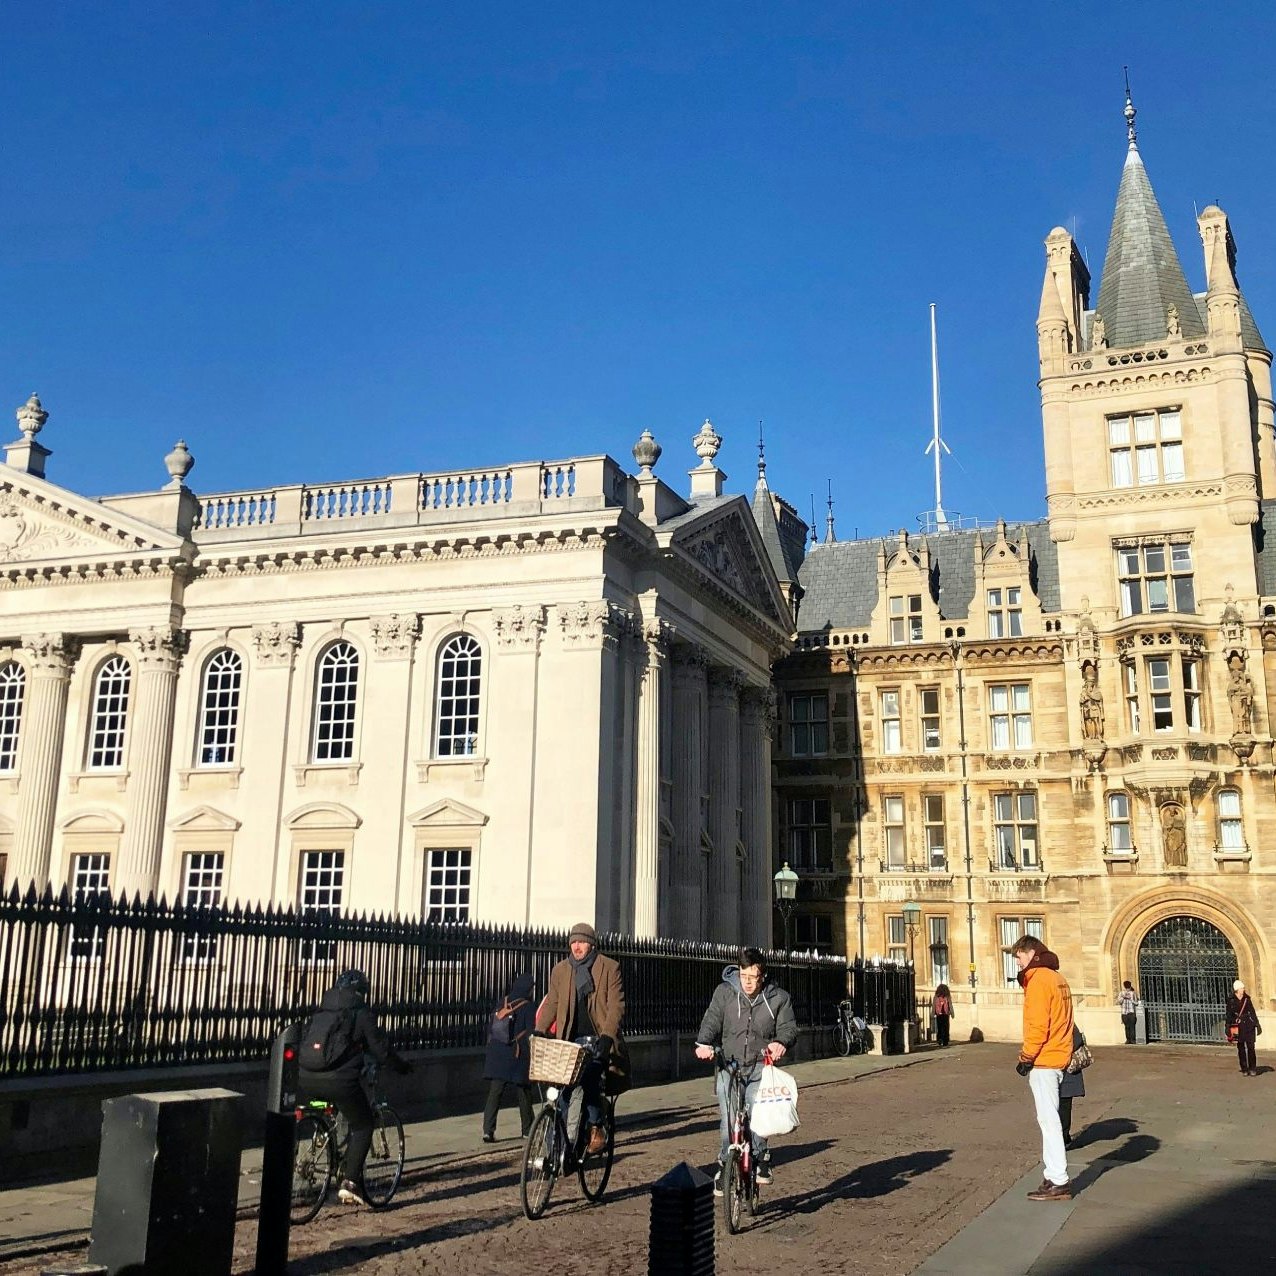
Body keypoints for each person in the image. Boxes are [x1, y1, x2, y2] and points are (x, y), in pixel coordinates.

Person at [297, 968, 412, 1207]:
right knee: (363, 1124)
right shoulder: (361, 1012)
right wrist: (402, 1067)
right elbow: (380, 1050)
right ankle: (350, 1182)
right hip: (340, 1081)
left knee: (336, 1110)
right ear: (361, 992)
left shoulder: (322, 1010)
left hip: (306, 1077)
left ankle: (324, 1142)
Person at [694, 947, 798, 1195]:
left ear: (763, 975)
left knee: (758, 1114)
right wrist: (703, 1044)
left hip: (761, 1066)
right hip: (728, 1065)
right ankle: (724, 1164)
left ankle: (762, 1159)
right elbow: (712, 1020)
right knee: (728, 1119)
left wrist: (780, 1043)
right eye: (743, 976)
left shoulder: (778, 998)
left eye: (753, 977)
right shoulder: (725, 992)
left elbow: (789, 1028)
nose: (748, 982)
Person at [536, 922, 628, 1155]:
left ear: (591, 944)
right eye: (573, 942)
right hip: (569, 1038)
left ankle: (596, 1125)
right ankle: (562, 1147)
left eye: (582, 942)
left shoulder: (609, 968)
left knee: (589, 1080)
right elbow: (552, 1004)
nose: (577, 947)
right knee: (563, 1089)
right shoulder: (561, 970)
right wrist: (539, 1030)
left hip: (597, 1037)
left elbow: (616, 1007)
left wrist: (607, 1037)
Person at [1008, 935, 1074, 1202]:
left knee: (1049, 1121)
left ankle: (1059, 1179)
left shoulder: (1038, 981)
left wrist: (1026, 1057)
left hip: (1044, 1059)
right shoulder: (1058, 979)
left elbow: (1038, 1026)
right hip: (1059, 1055)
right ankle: (1052, 1174)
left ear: (1031, 953)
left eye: (1019, 956)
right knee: (1050, 1118)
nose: (1017, 962)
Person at [481, 971, 537, 1143]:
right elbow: (531, 1032)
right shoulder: (528, 1006)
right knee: (523, 1092)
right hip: (516, 1053)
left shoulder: (502, 1002)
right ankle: (527, 1129)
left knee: (495, 1092)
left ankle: (488, 1130)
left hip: (497, 1053)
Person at [1058, 1025, 1087, 1147]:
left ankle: (1063, 1137)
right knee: (1061, 1106)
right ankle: (1063, 1136)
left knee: (1063, 1106)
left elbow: (1077, 1040)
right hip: (1059, 1070)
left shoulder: (1066, 1023)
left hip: (1065, 1070)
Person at [1226, 979, 1261, 1077]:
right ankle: (1244, 1068)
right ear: (1237, 989)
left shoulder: (1247, 999)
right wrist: (1227, 1026)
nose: (1243, 989)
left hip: (1248, 1025)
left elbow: (1252, 1012)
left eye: (1243, 988)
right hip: (1237, 1026)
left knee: (1251, 1047)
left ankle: (1253, 1068)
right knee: (1241, 1048)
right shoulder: (1231, 1000)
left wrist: (1257, 1024)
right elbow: (1228, 1014)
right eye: (1242, 988)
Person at [932, 983, 954, 1047]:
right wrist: (952, 1013)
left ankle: (940, 1039)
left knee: (939, 1027)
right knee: (946, 1028)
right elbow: (950, 1005)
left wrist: (933, 1013)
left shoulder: (936, 996)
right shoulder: (947, 996)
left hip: (939, 1014)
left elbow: (934, 1006)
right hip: (945, 1014)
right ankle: (945, 1041)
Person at [1118, 980, 1138, 1044]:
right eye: (1127, 987)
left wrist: (1131, 999)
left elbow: (1136, 1003)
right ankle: (1128, 1039)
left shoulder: (1133, 993)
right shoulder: (1121, 993)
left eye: (1128, 987)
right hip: (1124, 1012)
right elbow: (1119, 1002)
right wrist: (1123, 998)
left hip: (1131, 1012)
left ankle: (1133, 1040)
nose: (1128, 988)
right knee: (1126, 1026)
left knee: (1132, 1026)